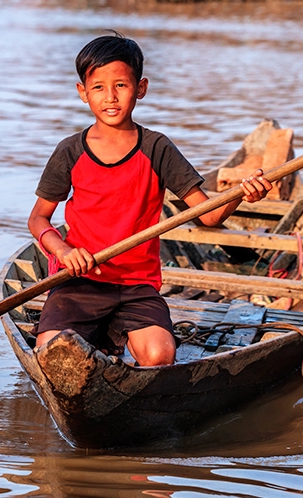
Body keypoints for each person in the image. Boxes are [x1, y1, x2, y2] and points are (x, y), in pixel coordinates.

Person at [27, 31, 273, 367]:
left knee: (159, 356)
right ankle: (100, 339)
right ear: (82, 93)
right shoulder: (70, 151)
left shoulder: (156, 148)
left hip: (136, 286)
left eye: (121, 85)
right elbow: (38, 218)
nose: (110, 97)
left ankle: (113, 342)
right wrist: (64, 250)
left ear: (140, 88)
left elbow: (209, 216)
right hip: (79, 282)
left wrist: (242, 194)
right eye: (98, 87)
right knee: (52, 353)